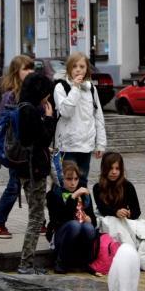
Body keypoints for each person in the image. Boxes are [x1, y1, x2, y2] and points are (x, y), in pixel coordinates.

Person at [93, 152, 145, 271]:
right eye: (110, 168)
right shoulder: (98, 187)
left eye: (117, 169)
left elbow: (137, 210)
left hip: (126, 219)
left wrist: (129, 214)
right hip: (108, 218)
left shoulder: (127, 186)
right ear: (104, 169)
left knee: (144, 226)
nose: (114, 172)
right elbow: (102, 208)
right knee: (114, 224)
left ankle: (144, 260)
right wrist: (116, 212)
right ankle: (130, 258)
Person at [0, 55, 34, 239]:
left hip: (29, 148)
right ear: (16, 73)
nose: (30, 72)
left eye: (32, 68)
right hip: (17, 150)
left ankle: (38, 222)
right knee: (14, 187)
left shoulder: (32, 91)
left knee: (32, 186)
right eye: (25, 69)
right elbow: (4, 125)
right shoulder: (11, 95)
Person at [16, 72, 56, 275]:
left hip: (25, 169)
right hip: (35, 171)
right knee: (36, 217)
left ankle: (27, 263)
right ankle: (26, 263)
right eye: (46, 93)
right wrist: (49, 119)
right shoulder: (31, 111)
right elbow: (44, 138)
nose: (48, 97)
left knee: (36, 215)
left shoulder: (22, 107)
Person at [53, 51, 106, 188]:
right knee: (68, 184)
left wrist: (100, 144)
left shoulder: (91, 89)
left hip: (86, 146)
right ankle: (68, 210)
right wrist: (75, 88)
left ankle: (82, 210)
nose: (78, 69)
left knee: (82, 183)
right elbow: (66, 112)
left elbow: (98, 117)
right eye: (75, 66)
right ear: (69, 68)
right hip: (67, 146)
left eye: (82, 66)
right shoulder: (61, 87)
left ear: (87, 69)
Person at [46, 161, 97, 274]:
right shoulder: (53, 195)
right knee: (75, 225)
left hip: (80, 234)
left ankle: (85, 262)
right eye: (69, 179)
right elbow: (59, 220)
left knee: (88, 227)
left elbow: (93, 219)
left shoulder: (83, 194)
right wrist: (73, 197)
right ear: (60, 179)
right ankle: (60, 262)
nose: (73, 183)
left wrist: (90, 219)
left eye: (76, 179)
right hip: (60, 233)